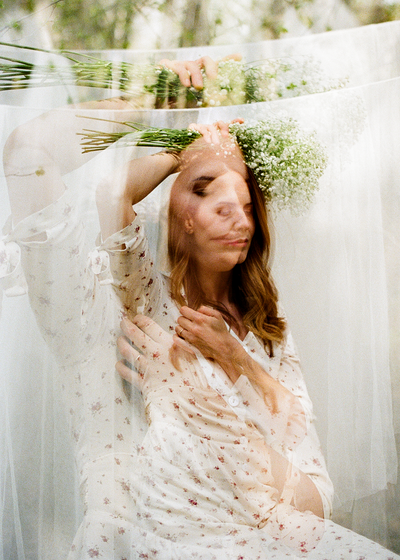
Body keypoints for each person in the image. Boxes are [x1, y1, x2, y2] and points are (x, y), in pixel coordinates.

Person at [1, 57, 398, 559]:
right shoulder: (99, 307)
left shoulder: (262, 331)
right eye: (202, 187)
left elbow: (316, 497)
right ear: (170, 207)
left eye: (245, 198)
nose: (233, 211)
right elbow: (30, 153)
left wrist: (236, 367)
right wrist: (153, 104)